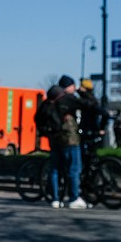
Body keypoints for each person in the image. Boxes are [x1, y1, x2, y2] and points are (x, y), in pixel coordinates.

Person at [48, 76, 88, 209]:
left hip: (55, 140)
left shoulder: (50, 101)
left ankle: (55, 198)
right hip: (69, 139)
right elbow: (87, 104)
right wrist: (83, 92)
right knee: (74, 168)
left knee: (55, 169)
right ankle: (74, 197)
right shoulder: (68, 99)